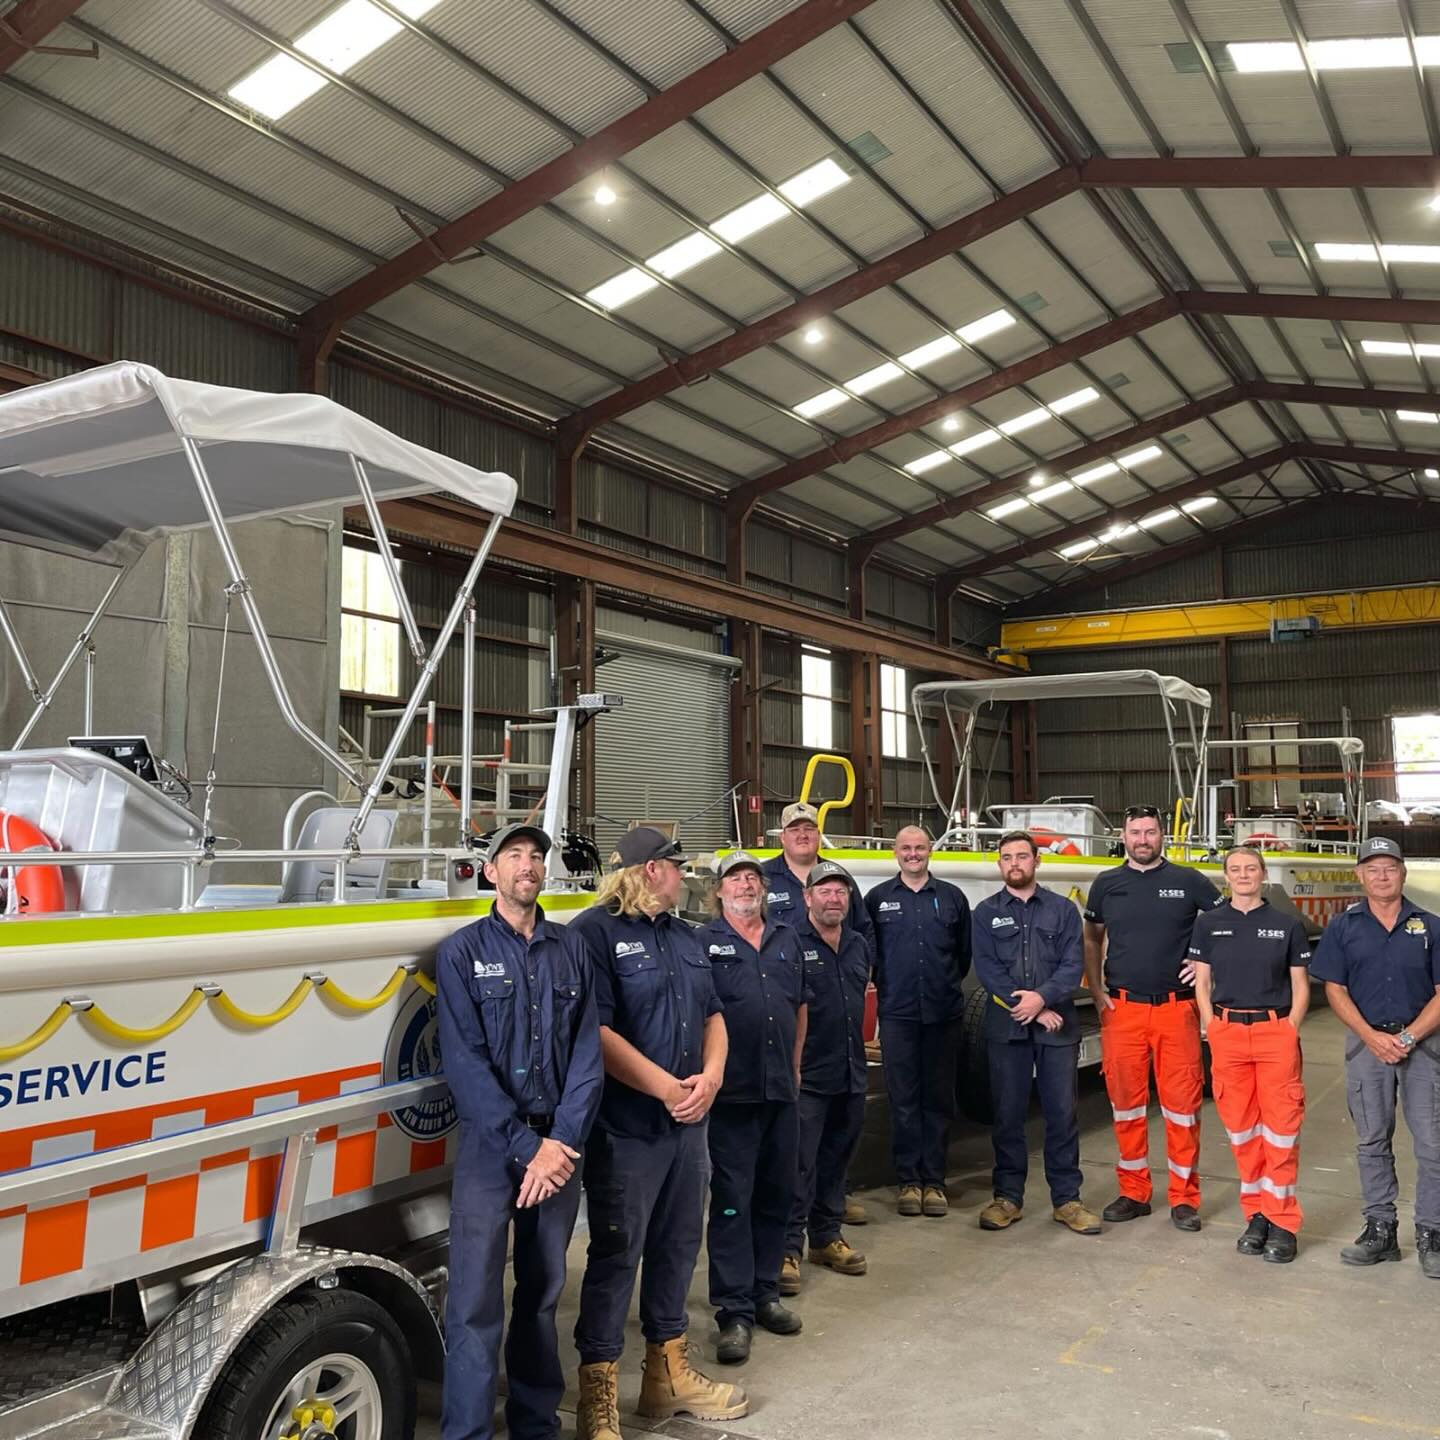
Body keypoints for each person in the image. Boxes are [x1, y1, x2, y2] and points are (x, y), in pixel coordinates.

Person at [570, 827, 747, 1440]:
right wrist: (667, 1089)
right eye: (677, 865)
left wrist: (712, 1077)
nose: (685, 874)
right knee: (617, 1253)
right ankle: (598, 1390)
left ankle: (666, 1378)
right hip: (629, 1129)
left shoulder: (687, 936)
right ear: (649, 871)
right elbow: (594, 1032)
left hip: (689, 1126)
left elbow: (714, 1014)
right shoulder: (593, 934)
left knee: (677, 1245)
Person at [435, 824, 604, 1440]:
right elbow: (465, 1064)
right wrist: (527, 1147)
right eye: (514, 856)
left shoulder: (571, 950)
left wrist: (560, 1142)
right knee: (475, 1305)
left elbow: (588, 1054)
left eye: (536, 857)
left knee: (540, 1294)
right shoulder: (459, 953)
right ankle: (468, 1432)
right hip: (492, 1150)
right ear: (491, 872)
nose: (527, 866)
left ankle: (536, 1426)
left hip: (559, 1149)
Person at [1083, 804, 1223, 1231]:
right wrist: (1095, 989)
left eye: (1150, 832)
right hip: (1122, 1010)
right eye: (1135, 832)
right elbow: (1091, 936)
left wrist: (1203, 963)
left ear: (1163, 835)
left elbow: (1227, 925)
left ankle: (1184, 1198)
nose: (1143, 839)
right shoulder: (1107, 884)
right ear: (1123, 837)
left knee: (1182, 1109)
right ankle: (1134, 1192)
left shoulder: (1188, 881)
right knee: (1125, 1107)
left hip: (1176, 1010)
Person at [1308, 835, 1440, 1277]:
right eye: (1373, 869)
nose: (1382, 876)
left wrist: (1407, 1037)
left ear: (1403, 873)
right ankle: (1380, 1229)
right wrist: (1371, 1035)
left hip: (1424, 1049)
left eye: (1390, 868)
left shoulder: (1432, 925)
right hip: (1367, 1047)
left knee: (1433, 1144)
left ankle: (1432, 1233)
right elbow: (1334, 988)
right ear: (1360, 875)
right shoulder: (1343, 927)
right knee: (1371, 1141)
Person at [697, 852, 807, 1364]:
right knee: (731, 1203)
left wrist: (796, 1066)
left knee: (774, 1196)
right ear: (719, 892)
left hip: (781, 1091)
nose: (745, 885)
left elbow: (799, 1006)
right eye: (736, 878)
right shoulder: (703, 943)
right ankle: (734, 1311)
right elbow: (697, 1015)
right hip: (732, 1098)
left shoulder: (788, 938)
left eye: (753, 878)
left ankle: (765, 1294)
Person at [971, 831, 1101, 1236]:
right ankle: (1007, 1197)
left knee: (1062, 1114)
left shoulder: (1063, 911)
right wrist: (1024, 1006)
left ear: (1036, 861)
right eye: (1007, 857)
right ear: (999, 865)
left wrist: (1041, 1001)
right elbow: (988, 969)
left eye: (1022, 856)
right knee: (1008, 1114)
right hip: (1007, 1028)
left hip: (1056, 1027)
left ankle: (1067, 1200)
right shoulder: (986, 913)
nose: (1014, 864)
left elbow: (1071, 964)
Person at [1190, 847, 1311, 1264]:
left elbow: (1300, 985)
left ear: (1263, 875)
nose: (1244, 875)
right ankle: (1256, 1213)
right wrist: (1210, 1024)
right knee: (1242, 1132)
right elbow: (1202, 983)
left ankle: (1283, 1221)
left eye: (1251, 868)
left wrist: (1290, 1025)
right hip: (1227, 1034)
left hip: (1274, 1032)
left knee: (1281, 1130)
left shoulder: (1285, 925)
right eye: (1235, 869)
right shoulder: (1208, 924)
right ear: (1226, 877)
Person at [761, 801, 874, 1227]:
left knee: (838, 1147)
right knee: (798, 1155)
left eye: (810, 828)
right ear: (783, 834)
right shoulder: (764, 879)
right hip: (802, 1055)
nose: (803, 834)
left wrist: (861, 975)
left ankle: (830, 1222)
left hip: (847, 1058)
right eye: (795, 828)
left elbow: (863, 933)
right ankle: (790, 1243)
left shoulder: (840, 882)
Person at [864, 826, 970, 1218]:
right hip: (898, 1015)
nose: (913, 854)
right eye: (906, 848)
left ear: (930, 852)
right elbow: (870, 957)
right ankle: (909, 1181)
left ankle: (935, 1182)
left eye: (920, 847)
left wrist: (942, 988)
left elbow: (963, 956)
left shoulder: (951, 898)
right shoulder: (877, 900)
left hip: (944, 1014)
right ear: (895, 853)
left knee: (939, 1100)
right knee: (904, 1100)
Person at [782, 860, 871, 1293]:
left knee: (836, 1161)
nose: (833, 898)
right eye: (825, 891)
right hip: (808, 1077)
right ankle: (786, 1249)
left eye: (840, 892)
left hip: (851, 1073)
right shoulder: (790, 944)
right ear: (807, 897)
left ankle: (826, 1237)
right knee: (799, 1165)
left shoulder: (858, 944)